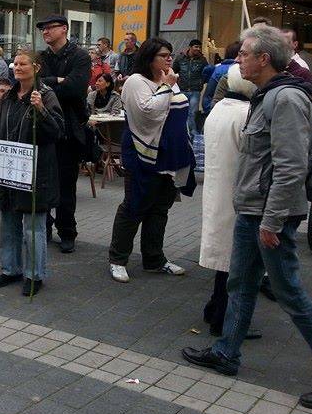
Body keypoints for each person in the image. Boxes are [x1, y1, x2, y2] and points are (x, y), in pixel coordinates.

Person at [183, 26, 312, 410]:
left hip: (267, 216)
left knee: (289, 292)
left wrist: (272, 222)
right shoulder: (268, 94)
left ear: (264, 59)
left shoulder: (287, 99)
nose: (237, 59)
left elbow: (290, 167)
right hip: (252, 212)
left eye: (244, 54)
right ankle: (227, 352)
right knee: (240, 284)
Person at [108, 37, 195, 282]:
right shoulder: (136, 81)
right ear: (149, 57)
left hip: (170, 157)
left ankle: (154, 259)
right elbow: (149, 110)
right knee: (134, 206)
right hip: (143, 155)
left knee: (159, 209)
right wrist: (167, 86)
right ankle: (118, 259)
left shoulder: (168, 78)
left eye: (170, 56)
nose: (170, 60)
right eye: (164, 55)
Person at [0, 47, 64, 296]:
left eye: (23, 64)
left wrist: (41, 110)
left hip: (36, 173)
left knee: (33, 227)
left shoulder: (46, 95)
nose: (17, 68)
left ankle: (34, 274)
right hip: (8, 171)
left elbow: (57, 131)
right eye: (15, 64)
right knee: (8, 222)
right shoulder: (8, 96)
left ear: (36, 68)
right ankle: (11, 269)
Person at [199, 65, 256, 336]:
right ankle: (223, 318)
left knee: (224, 261)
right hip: (239, 195)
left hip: (217, 192)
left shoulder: (218, 109)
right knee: (236, 262)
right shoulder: (247, 114)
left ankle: (215, 309)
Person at [36, 14, 90, 254]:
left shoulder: (80, 56)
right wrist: (56, 80)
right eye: (43, 29)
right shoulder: (41, 57)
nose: (45, 32)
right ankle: (44, 228)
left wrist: (50, 85)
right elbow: (34, 83)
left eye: (50, 27)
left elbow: (74, 89)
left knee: (66, 185)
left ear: (64, 29)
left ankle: (67, 232)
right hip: (42, 129)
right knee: (42, 182)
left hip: (68, 130)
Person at [173, 39, 208, 135]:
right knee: (182, 112)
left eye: (199, 47)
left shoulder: (202, 60)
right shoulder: (180, 58)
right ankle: (183, 131)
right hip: (182, 89)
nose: (198, 49)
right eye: (196, 47)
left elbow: (206, 73)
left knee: (192, 113)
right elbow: (173, 71)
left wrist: (200, 82)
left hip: (195, 91)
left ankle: (192, 132)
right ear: (190, 47)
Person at [202, 41, 241, 114]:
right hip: (235, 112)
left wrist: (208, 110)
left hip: (215, 110)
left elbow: (209, 94)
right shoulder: (242, 70)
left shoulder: (217, 68)